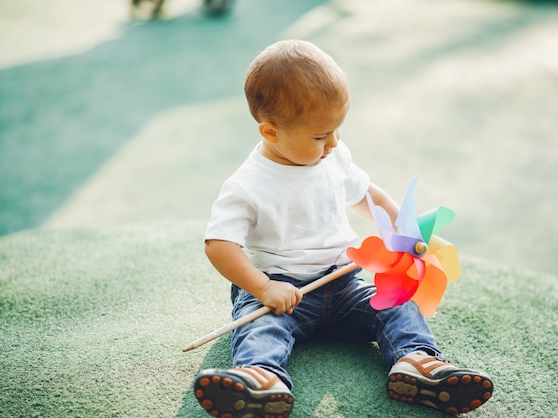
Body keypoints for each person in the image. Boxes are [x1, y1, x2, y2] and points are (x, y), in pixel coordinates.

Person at [193, 39, 493, 418]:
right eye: (320, 135)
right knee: (262, 328)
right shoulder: (248, 185)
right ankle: (259, 378)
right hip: (282, 290)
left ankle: (418, 363)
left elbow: (369, 196)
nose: (333, 143)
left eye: (337, 130)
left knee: (398, 305)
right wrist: (264, 288)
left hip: (343, 283)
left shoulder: (333, 156)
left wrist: (404, 230)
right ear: (270, 133)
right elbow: (219, 245)